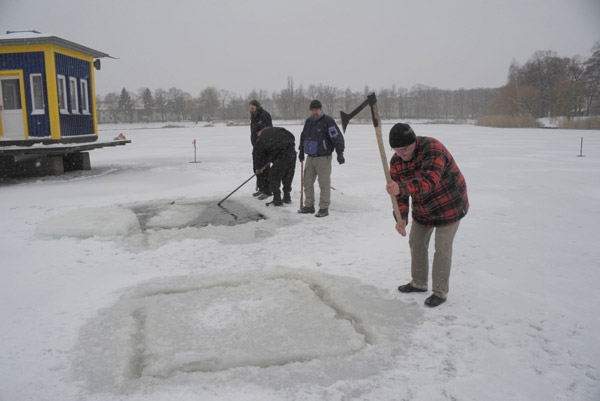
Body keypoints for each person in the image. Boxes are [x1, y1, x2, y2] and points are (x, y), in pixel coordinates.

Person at [385, 123, 469, 307]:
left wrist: (401, 187)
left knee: (442, 247)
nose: (401, 153)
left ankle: (439, 291)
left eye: (405, 148)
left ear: (413, 141)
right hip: (424, 207)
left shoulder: (433, 148)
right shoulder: (396, 162)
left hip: (450, 203)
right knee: (416, 240)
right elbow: (398, 195)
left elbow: (429, 181)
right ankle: (419, 282)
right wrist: (402, 218)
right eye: (396, 150)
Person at [297, 100, 345, 217]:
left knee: (324, 184)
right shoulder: (308, 122)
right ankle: (309, 206)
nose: (314, 112)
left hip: (323, 158)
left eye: (316, 110)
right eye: (312, 110)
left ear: (321, 109)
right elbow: (303, 137)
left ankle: (324, 208)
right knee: (307, 182)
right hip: (310, 157)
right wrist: (301, 151)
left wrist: (340, 153)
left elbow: (337, 137)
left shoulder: (328, 121)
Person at [253, 127, 296, 206]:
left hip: (281, 156)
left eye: (257, 134)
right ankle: (287, 197)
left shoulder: (261, 138)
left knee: (273, 176)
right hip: (291, 151)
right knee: (288, 175)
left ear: (259, 132)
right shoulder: (276, 129)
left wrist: (258, 168)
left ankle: (277, 199)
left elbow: (258, 155)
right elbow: (292, 137)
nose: (257, 135)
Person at [249, 100, 273, 200]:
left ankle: (267, 191)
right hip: (256, 146)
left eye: (252, 108)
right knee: (256, 168)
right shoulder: (254, 116)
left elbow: (270, 128)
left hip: (264, 147)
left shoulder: (264, 115)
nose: (251, 110)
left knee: (264, 169)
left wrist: (263, 131)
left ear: (257, 107)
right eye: (250, 108)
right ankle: (261, 188)